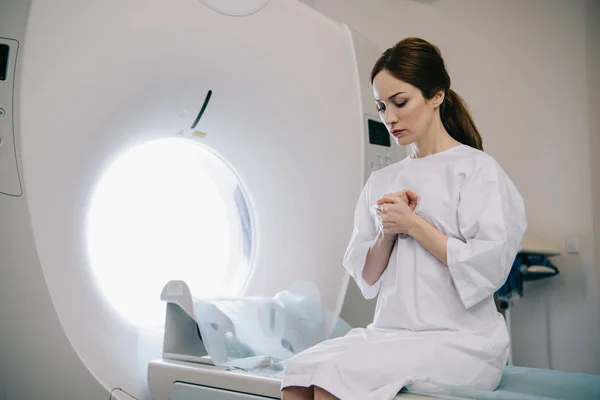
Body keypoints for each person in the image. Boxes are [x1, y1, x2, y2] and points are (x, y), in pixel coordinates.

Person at [280, 37, 527, 400]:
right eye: (381, 107)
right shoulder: (382, 180)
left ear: (436, 95)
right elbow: (366, 276)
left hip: (460, 340)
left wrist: (414, 225)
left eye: (400, 102)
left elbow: (487, 267)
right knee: (300, 370)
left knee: (336, 375)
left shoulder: (477, 169)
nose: (389, 118)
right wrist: (387, 230)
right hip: (391, 331)